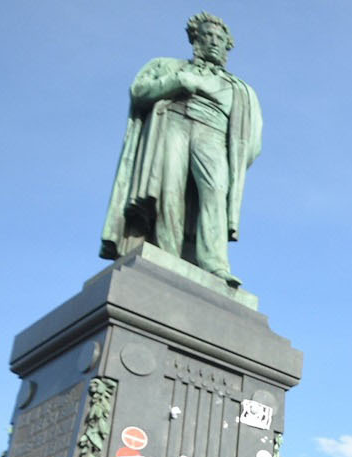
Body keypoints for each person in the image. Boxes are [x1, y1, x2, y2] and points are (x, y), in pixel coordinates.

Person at [100, 12, 261, 286]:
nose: (213, 42)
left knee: (215, 194)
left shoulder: (240, 89)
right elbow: (139, 91)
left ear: (227, 46)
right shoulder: (167, 66)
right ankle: (167, 253)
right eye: (208, 35)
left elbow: (252, 141)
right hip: (173, 123)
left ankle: (215, 265)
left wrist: (234, 160)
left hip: (213, 136)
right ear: (195, 40)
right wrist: (175, 82)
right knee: (169, 191)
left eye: (219, 38)